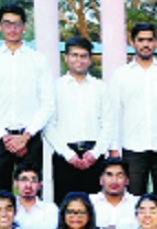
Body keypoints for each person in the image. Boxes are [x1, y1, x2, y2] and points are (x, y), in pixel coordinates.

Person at [0, 3, 54, 192]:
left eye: (17, 24)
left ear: (24, 26)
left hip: (30, 137)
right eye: (7, 23)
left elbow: (48, 103)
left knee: (31, 192)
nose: (12, 29)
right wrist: (4, 136)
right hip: (0, 136)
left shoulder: (38, 60)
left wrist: (26, 136)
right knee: (0, 194)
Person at [108, 22, 157, 195]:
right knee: (133, 199)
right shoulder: (121, 75)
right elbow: (113, 113)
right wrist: (113, 146)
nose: (146, 44)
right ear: (132, 43)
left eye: (150, 40)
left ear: (156, 43)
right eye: (141, 40)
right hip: (133, 148)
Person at [44, 35, 110, 204]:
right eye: (74, 55)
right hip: (65, 156)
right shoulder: (54, 87)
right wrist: (68, 154)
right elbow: (49, 125)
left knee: (94, 207)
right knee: (65, 206)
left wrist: (95, 154)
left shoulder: (100, 88)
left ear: (90, 59)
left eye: (83, 56)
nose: (79, 60)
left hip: (93, 156)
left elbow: (108, 123)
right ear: (66, 58)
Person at [89, 158, 139, 229]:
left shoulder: (138, 204)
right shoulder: (89, 203)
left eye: (119, 175)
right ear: (101, 180)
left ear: (127, 181)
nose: (114, 181)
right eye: (109, 175)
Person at [12, 163, 58, 229]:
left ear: (40, 185)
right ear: (15, 183)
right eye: (23, 180)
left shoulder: (50, 209)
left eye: (33, 180)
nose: (28, 185)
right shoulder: (8, 207)